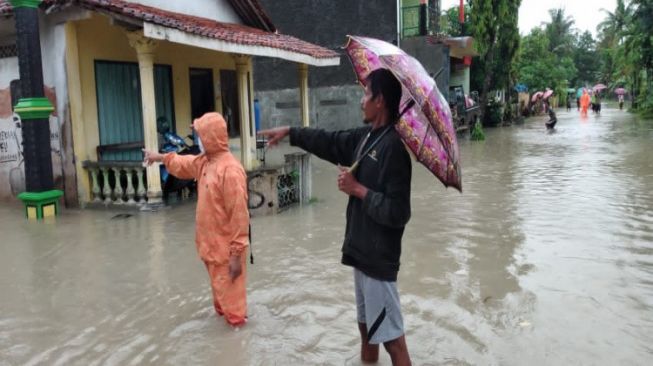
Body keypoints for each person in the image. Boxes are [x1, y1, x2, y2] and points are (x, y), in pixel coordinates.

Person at [258, 68, 413, 365]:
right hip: (361, 255)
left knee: (393, 341)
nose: (361, 100)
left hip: (379, 263)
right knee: (366, 331)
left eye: (366, 94)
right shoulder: (367, 138)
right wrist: (292, 133)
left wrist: (359, 190)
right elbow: (329, 141)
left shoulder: (393, 149)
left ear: (380, 100)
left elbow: (399, 212)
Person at [143, 112, 250, 327]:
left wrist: (236, 256)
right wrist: (159, 157)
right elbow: (184, 163)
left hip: (226, 254)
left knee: (235, 315)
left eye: (201, 135)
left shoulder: (230, 171)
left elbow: (239, 217)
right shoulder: (205, 162)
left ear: (211, 137)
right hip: (210, 249)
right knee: (220, 306)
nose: (198, 140)